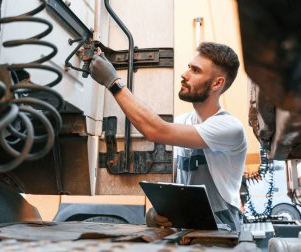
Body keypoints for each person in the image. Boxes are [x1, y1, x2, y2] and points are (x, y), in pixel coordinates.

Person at [90, 42, 247, 231]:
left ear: (217, 83)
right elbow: (180, 189)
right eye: (189, 67)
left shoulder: (230, 128)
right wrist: (157, 215)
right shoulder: (182, 122)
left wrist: (113, 82)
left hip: (222, 230)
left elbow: (155, 130)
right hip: (189, 228)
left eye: (195, 71)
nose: (184, 74)